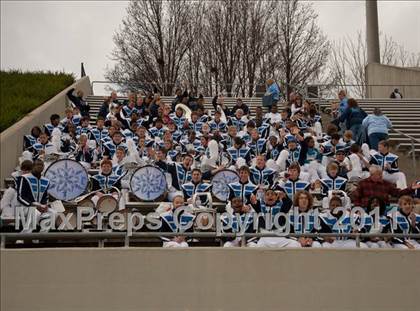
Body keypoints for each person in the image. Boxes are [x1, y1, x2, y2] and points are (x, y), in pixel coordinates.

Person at [17, 159, 56, 233]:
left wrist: (44, 206)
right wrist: (33, 205)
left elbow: (45, 197)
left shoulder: (46, 181)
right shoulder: (24, 178)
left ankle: (41, 235)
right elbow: (20, 197)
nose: (39, 166)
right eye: (37, 164)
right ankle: (22, 237)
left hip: (39, 207)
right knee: (35, 212)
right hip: (25, 206)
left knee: (53, 213)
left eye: (41, 165)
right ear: (33, 166)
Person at [351, 165, 419, 208]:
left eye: (381, 174)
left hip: (383, 209)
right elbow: (356, 197)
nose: (381, 176)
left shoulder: (386, 184)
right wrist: (358, 209)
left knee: (395, 210)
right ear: (372, 175)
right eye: (379, 174)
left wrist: (411, 188)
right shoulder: (363, 183)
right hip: (366, 208)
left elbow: (398, 193)